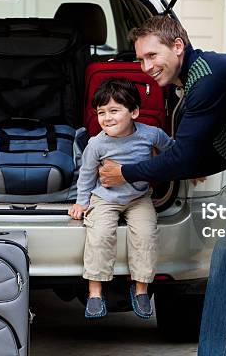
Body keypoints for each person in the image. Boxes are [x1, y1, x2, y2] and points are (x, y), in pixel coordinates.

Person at [98, 15, 226, 355]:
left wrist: (125, 172)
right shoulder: (195, 75)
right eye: (140, 59)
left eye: (152, 56)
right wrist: (191, 163)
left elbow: (184, 158)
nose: (145, 67)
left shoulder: (206, 81)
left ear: (177, 46)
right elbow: (213, 143)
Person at [68, 77, 174, 319]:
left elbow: (172, 150)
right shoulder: (96, 144)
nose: (107, 118)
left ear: (134, 112)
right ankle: (95, 293)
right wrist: (81, 202)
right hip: (105, 197)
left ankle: (141, 289)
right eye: (101, 112)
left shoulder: (151, 134)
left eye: (114, 111)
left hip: (139, 197)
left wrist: (190, 169)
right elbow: (86, 175)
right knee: (100, 235)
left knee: (146, 234)